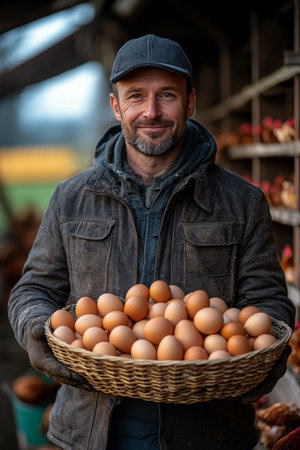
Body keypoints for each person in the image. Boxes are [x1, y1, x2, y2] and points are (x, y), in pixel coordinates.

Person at [8, 34, 295, 450]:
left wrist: (252, 361)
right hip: (90, 434)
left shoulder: (241, 202)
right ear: (115, 106)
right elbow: (33, 290)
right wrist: (48, 333)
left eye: (167, 95)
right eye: (136, 96)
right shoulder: (71, 198)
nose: (152, 111)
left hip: (206, 434)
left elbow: (269, 303)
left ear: (190, 102)